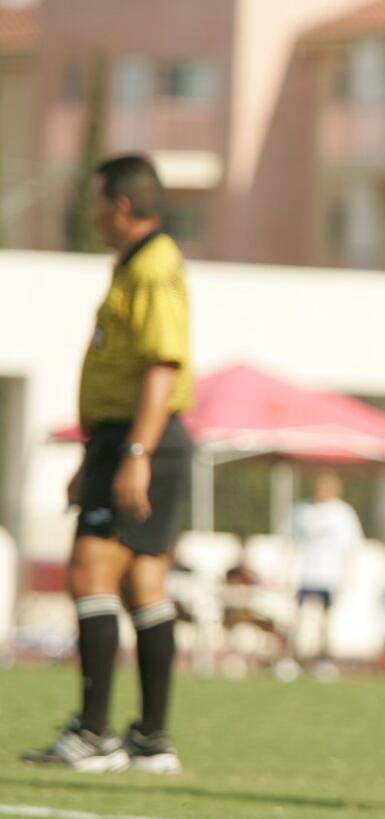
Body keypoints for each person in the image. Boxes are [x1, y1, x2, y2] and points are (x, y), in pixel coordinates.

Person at [22, 154, 193, 774]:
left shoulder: (153, 267)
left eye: (97, 202)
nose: (92, 213)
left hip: (140, 438)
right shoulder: (134, 266)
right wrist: (96, 454)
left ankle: (93, 735)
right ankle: (151, 738)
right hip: (123, 440)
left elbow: (162, 365)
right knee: (142, 582)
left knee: (89, 569)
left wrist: (135, 455)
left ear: (121, 206)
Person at [289, 470, 363, 665]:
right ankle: (297, 657)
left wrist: (348, 577)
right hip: (307, 574)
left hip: (330, 575)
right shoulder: (304, 510)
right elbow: (292, 544)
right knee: (301, 617)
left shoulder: (343, 513)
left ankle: (323, 658)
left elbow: (351, 547)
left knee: (326, 620)